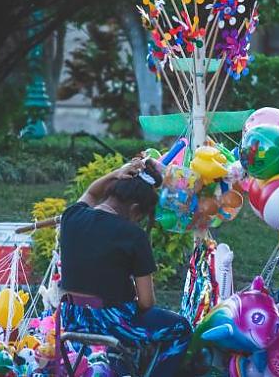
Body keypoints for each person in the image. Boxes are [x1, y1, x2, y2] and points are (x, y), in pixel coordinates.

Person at [58, 158, 192, 376]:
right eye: (139, 217)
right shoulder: (133, 235)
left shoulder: (71, 216)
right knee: (180, 328)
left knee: (136, 324)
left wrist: (116, 173)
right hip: (114, 324)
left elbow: (92, 193)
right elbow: (147, 302)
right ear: (135, 209)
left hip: (73, 318)